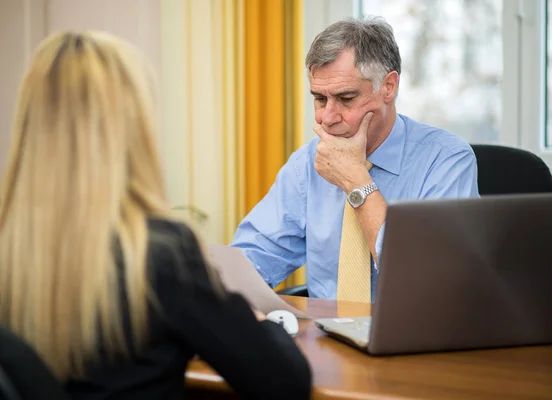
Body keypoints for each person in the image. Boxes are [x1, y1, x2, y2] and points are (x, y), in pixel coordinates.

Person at [0, 31, 311, 400]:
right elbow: (286, 384)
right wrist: (263, 323)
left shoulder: (12, 251)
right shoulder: (160, 254)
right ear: (131, 129)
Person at [231, 17, 479, 302]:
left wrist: (356, 181)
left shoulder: (446, 160)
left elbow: (428, 277)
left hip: (416, 337)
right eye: (320, 99)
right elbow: (252, 258)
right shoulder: (307, 164)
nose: (327, 118)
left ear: (388, 87)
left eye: (346, 98)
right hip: (325, 337)